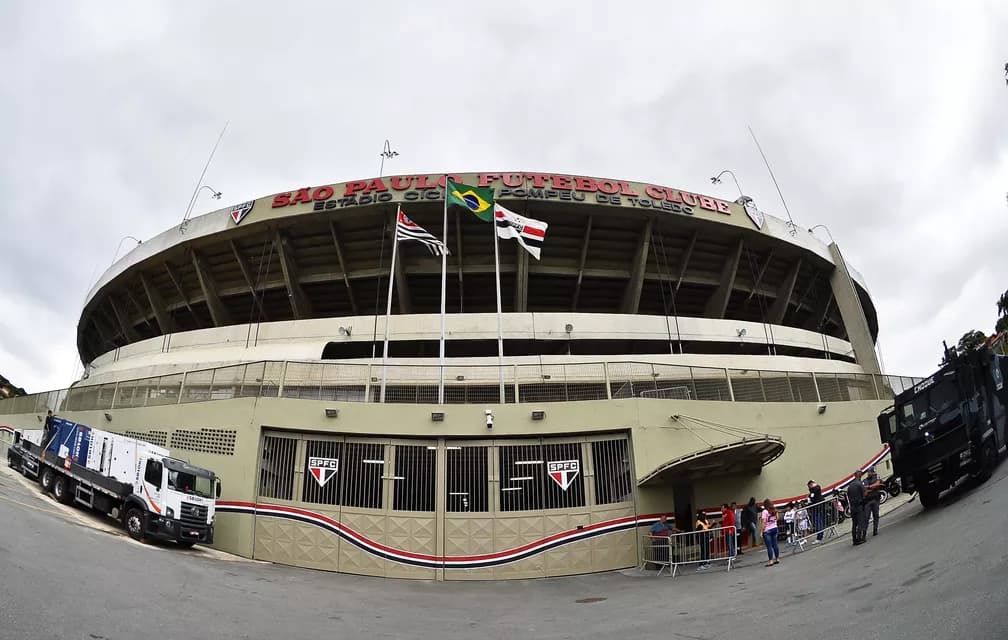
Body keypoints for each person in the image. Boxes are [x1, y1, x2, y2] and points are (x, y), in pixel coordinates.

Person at [862, 468, 884, 538]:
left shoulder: (877, 477)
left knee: (876, 515)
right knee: (866, 517)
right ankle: (864, 533)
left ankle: (875, 529)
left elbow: (877, 484)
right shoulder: (865, 480)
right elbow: (865, 491)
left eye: (870, 472)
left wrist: (869, 487)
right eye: (868, 472)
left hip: (875, 499)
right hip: (868, 501)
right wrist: (872, 487)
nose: (869, 473)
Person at [847, 469, 867, 546]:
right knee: (860, 523)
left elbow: (848, 495)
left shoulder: (850, 485)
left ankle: (854, 540)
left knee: (854, 524)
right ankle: (859, 539)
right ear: (860, 476)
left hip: (852, 507)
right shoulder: (860, 484)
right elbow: (864, 494)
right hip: (859, 506)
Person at [760, 499, 780, 566]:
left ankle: (771, 561)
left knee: (769, 546)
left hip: (767, 530)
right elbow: (777, 518)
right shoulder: (775, 510)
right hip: (774, 528)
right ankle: (777, 558)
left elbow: (764, 522)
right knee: (775, 544)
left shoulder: (765, 511)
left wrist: (761, 531)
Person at [807, 479, 826, 543]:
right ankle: (820, 536)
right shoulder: (814, 490)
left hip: (817, 508)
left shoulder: (815, 489)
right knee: (818, 522)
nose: (809, 488)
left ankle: (819, 537)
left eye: (809, 486)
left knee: (818, 523)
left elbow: (813, 496)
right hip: (817, 508)